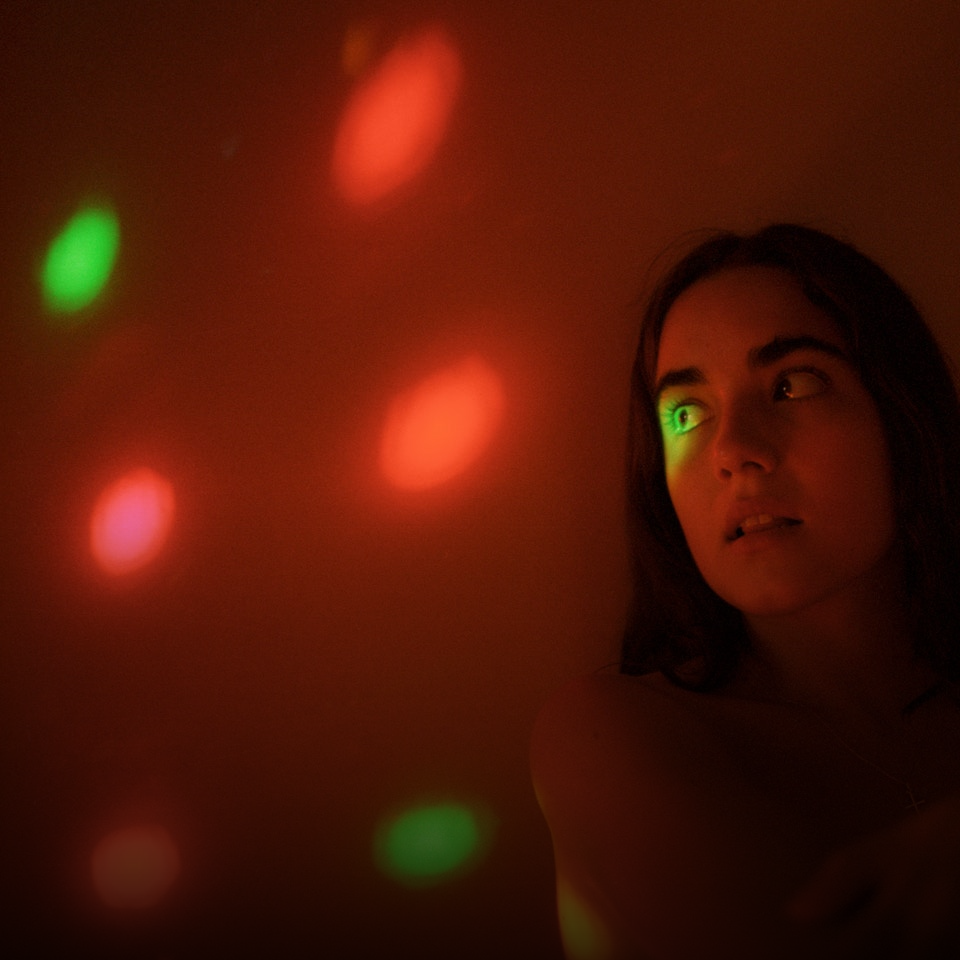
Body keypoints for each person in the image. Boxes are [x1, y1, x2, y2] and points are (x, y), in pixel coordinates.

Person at [531, 224, 960, 959]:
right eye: (687, 412)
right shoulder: (611, 732)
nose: (732, 450)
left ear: (900, 412)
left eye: (793, 383)